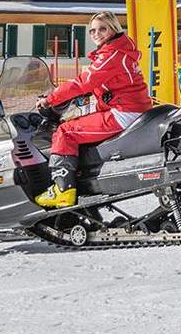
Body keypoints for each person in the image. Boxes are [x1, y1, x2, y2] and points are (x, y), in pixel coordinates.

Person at [34, 11, 153, 208]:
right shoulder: (119, 51)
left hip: (123, 113)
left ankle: (63, 190)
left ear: (114, 29)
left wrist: (51, 99)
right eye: (92, 31)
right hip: (131, 109)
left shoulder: (113, 54)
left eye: (102, 29)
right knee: (74, 123)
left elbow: (84, 82)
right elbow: (111, 89)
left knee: (65, 132)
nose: (96, 34)